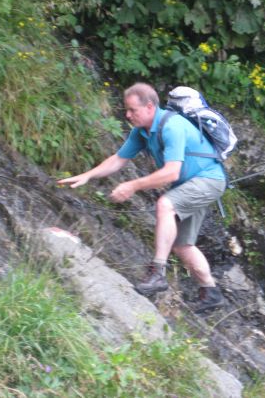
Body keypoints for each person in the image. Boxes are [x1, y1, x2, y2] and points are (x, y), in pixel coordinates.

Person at [57, 82, 226, 312]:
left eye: (132, 110)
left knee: (165, 205)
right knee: (183, 245)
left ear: (149, 107)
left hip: (208, 180)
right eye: (126, 110)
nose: (127, 115)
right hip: (192, 184)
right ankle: (211, 293)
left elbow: (171, 172)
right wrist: (87, 176)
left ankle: (157, 273)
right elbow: (118, 159)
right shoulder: (141, 132)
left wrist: (132, 185)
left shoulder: (172, 126)